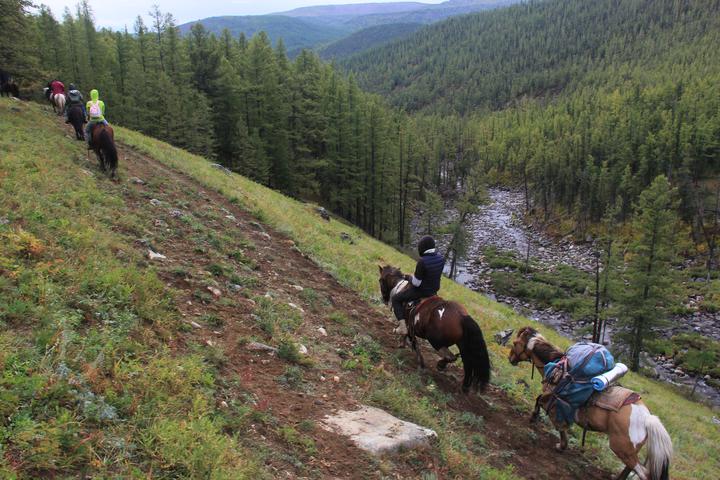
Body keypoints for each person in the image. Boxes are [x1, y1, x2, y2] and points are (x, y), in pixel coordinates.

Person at [391, 235, 445, 335]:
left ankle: (402, 328)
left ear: (423, 248)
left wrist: (409, 277)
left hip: (420, 291)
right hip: (434, 291)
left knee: (396, 299)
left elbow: (416, 283)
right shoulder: (441, 258)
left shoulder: (422, 261)